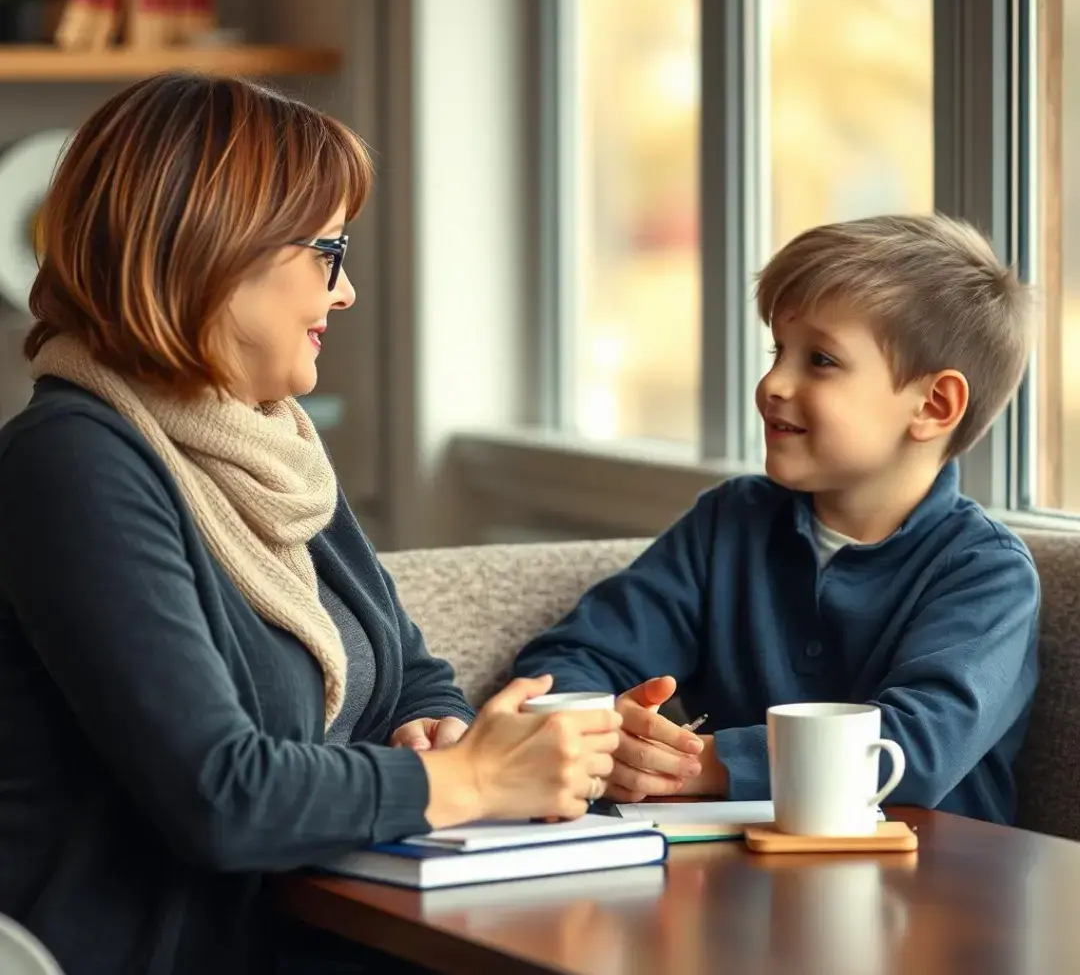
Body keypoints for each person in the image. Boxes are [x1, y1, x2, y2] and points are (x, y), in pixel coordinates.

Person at [0, 72, 620, 975]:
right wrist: (470, 779)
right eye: (327, 253)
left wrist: (438, 734)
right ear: (218, 249)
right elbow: (220, 795)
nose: (346, 292)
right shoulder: (72, 465)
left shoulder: (267, 448)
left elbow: (410, 674)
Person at [514, 214, 1040, 825]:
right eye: (777, 350)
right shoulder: (729, 522)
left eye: (820, 359)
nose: (772, 384)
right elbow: (571, 658)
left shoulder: (988, 572)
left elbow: (912, 751)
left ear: (933, 404)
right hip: (733, 879)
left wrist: (693, 764)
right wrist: (606, 734)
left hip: (929, 894)